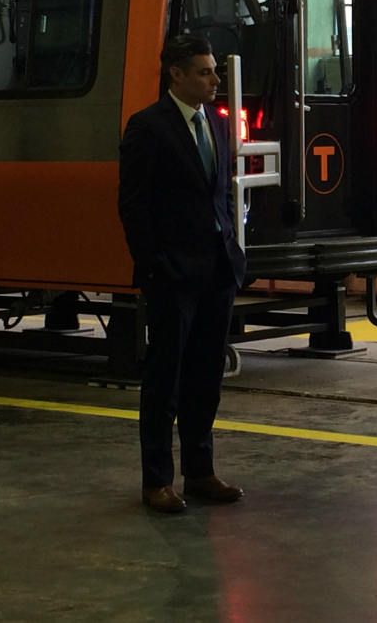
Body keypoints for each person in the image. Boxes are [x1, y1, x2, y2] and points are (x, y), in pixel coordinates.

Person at [118, 35, 248, 514]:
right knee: (165, 379)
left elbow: (219, 196)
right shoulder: (148, 127)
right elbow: (133, 206)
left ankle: (200, 471)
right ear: (176, 74)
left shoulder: (213, 123)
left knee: (205, 376)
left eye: (214, 71)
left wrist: (230, 250)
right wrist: (155, 265)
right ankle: (156, 480)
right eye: (205, 72)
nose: (215, 80)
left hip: (216, 269)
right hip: (174, 273)